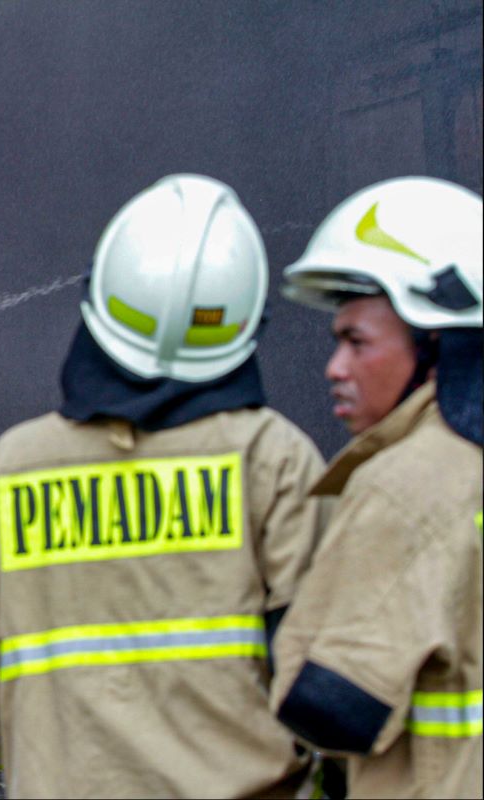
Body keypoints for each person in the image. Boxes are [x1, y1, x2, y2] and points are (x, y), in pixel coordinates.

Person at [0, 174, 327, 798]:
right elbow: (335, 686)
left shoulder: (18, 463)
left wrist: (28, 751)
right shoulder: (276, 458)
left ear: (97, 300)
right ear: (247, 324)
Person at [270, 176, 482, 798]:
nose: (334, 369)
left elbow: (331, 707)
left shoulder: (406, 486)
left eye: (356, 341)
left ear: (434, 343)